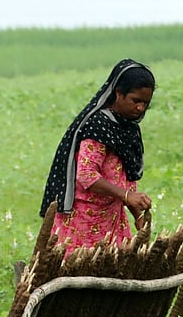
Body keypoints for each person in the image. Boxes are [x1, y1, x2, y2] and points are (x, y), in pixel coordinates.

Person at [39, 59, 155, 255]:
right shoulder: (98, 125)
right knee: (79, 268)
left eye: (146, 103)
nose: (140, 108)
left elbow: (126, 179)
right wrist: (127, 196)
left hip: (112, 219)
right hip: (83, 221)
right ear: (118, 93)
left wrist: (138, 217)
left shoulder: (128, 128)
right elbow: (86, 175)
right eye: (136, 101)